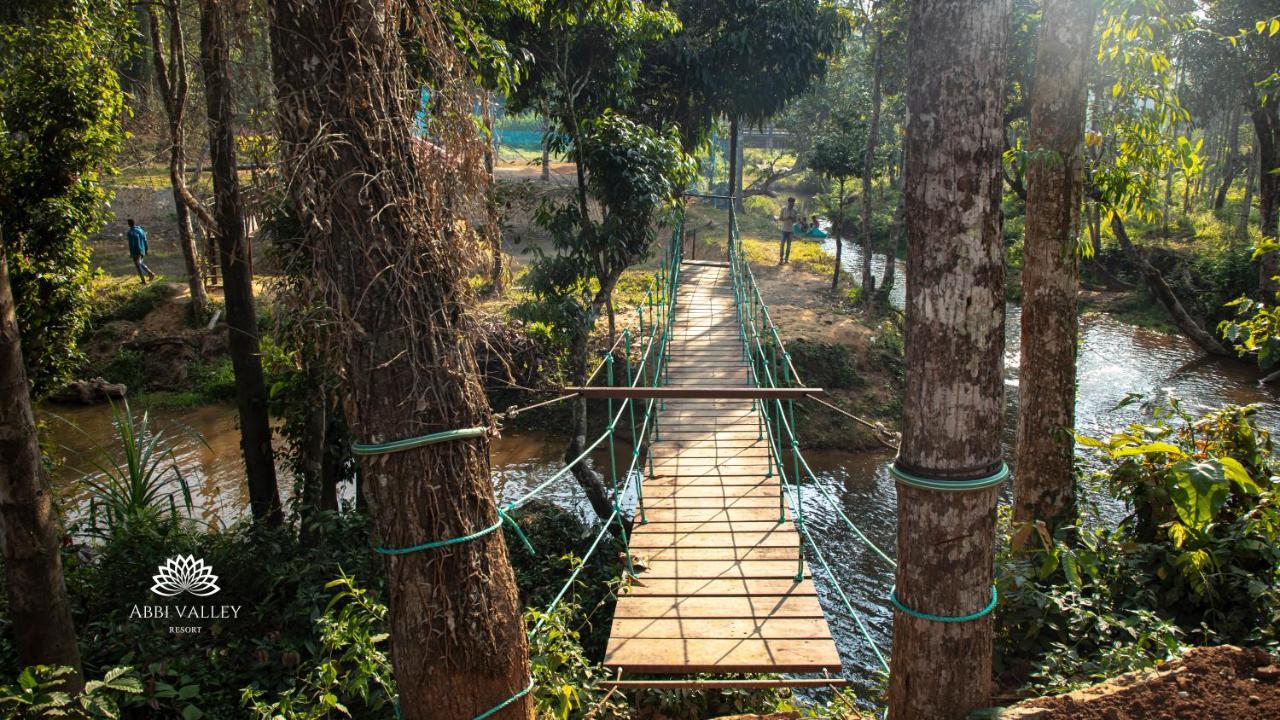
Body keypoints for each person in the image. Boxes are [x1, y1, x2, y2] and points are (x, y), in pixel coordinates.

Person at [126, 219, 157, 284]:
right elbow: (145, 240)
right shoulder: (141, 230)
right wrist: (146, 249)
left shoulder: (130, 232)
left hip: (136, 251)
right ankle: (150, 274)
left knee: (138, 265)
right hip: (142, 249)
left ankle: (144, 280)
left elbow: (131, 244)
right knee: (140, 263)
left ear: (129, 224)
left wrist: (131, 253)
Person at [777, 197, 798, 264]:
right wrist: (786, 218)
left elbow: (795, 221)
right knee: (782, 245)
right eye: (791, 203)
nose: (792, 204)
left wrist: (792, 218)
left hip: (790, 231)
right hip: (784, 230)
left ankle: (786, 259)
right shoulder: (783, 209)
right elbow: (780, 219)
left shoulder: (795, 211)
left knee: (789, 246)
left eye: (793, 203)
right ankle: (781, 259)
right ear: (788, 202)